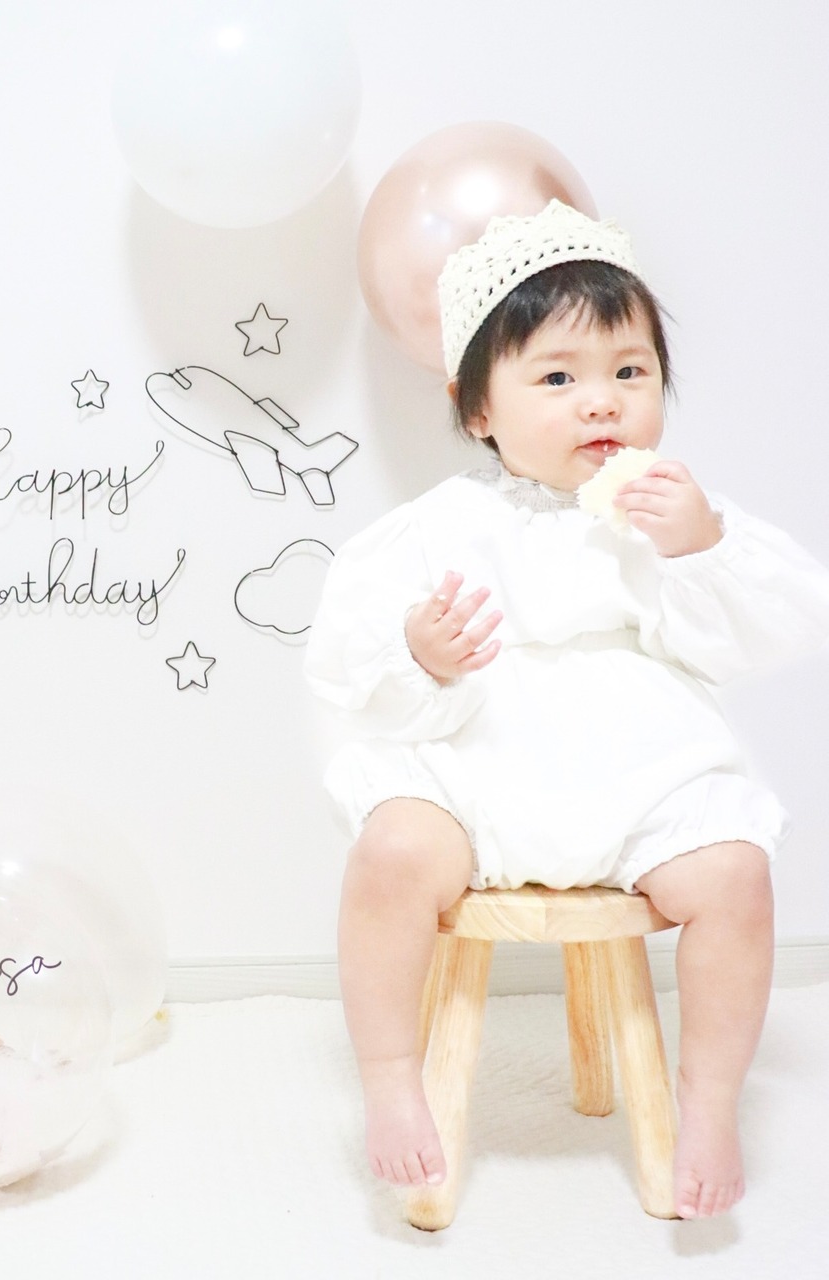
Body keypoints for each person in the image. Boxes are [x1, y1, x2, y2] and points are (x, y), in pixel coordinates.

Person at [304, 199, 829, 1220]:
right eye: (557, 378)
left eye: (629, 371)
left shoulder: (666, 514)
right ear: (477, 410)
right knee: (392, 852)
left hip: (637, 773)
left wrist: (701, 546)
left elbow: (771, 627)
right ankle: (389, 1074)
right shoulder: (438, 527)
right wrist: (419, 651)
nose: (602, 403)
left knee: (735, 872)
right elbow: (344, 656)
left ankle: (708, 1099)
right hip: (477, 770)